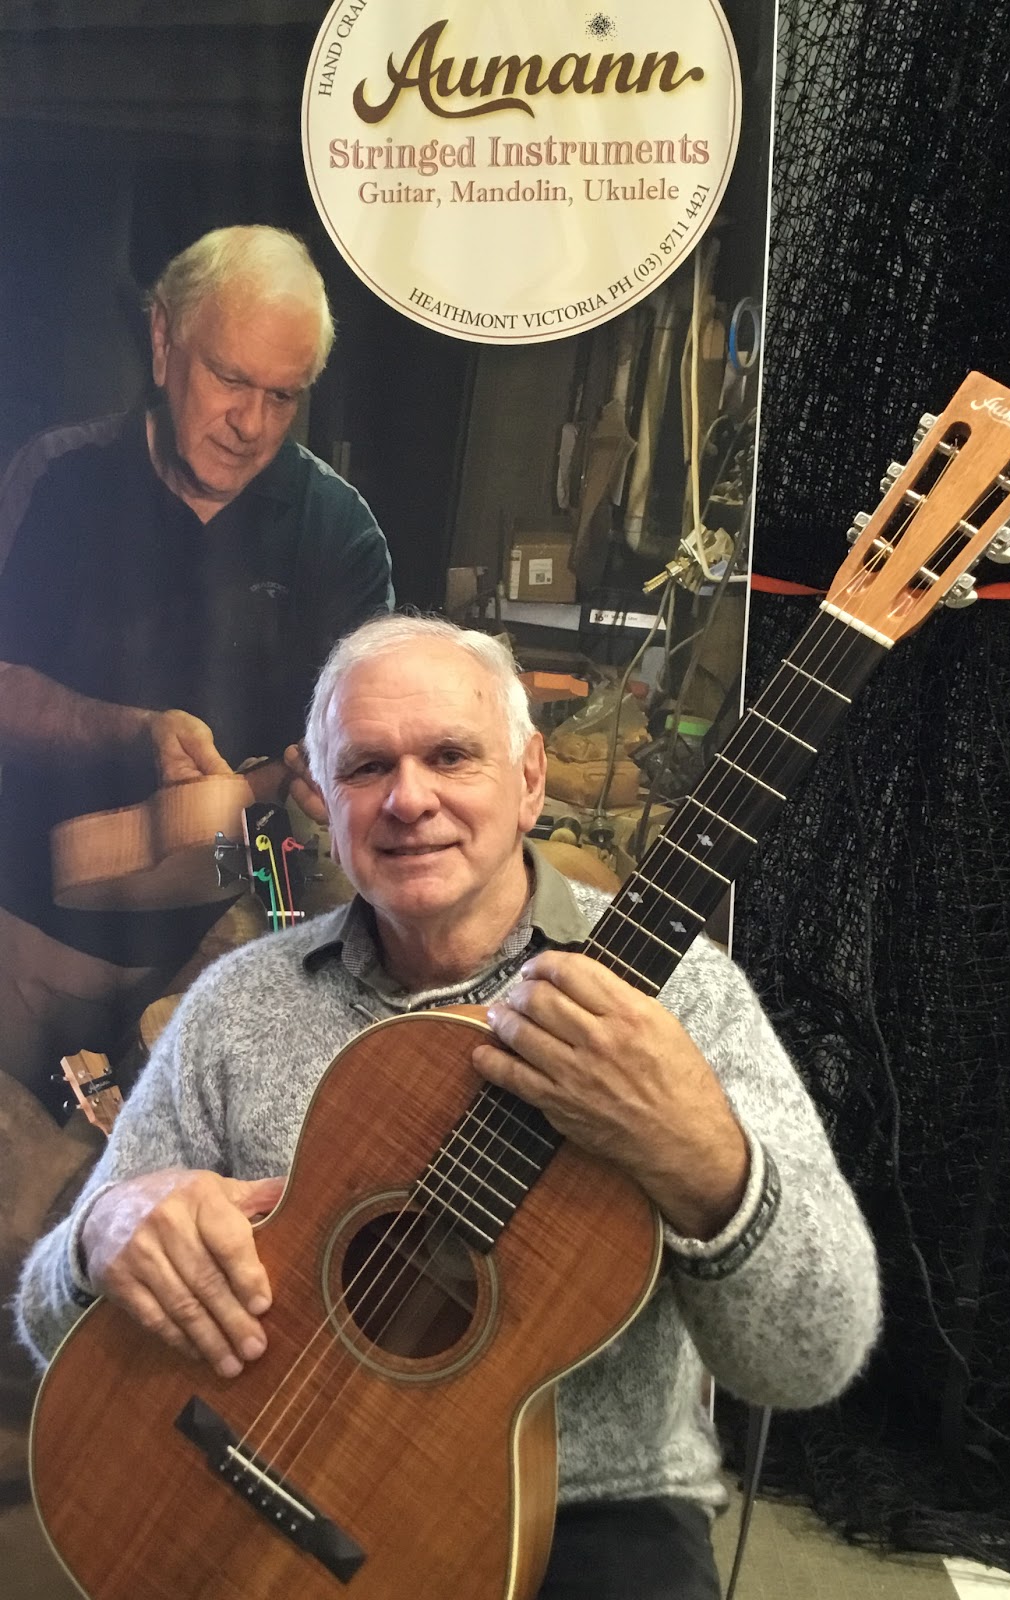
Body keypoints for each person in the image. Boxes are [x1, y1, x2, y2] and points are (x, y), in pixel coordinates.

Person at [16, 614, 880, 1598]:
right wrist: (99, 1233)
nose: (408, 798)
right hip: (235, 1445)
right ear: (322, 803)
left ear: (530, 780)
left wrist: (702, 1155)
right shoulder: (237, 1004)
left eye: (450, 756)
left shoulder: (680, 1002)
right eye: (367, 766)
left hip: (586, 1514)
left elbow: (813, 1358)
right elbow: (52, 1323)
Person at [0, 224, 394, 1110]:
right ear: (162, 340)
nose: (249, 425)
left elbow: (356, 749)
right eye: (229, 379)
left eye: (282, 395)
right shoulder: (60, 479)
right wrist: (136, 732)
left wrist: (317, 777)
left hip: (228, 940)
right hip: (30, 925)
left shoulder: (338, 531)